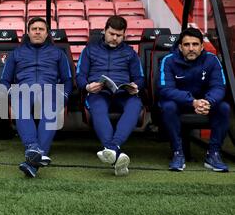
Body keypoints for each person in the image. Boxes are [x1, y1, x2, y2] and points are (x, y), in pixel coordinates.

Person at [0, 17, 73, 178]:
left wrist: (65, 96)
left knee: (50, 109)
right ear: (28, 32)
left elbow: (68, 79)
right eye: (34, 29)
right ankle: (34, 148)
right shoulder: (16, 53)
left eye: (41, 29)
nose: (38, 32)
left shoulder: (58, 53)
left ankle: (32, 161)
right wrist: (11, 93)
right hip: (24, 91)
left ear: (47, 34)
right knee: (21, 106)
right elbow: (4, 80)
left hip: (50, 92)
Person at [76, 15, 145, 176]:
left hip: (124, 93)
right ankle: (117, 154)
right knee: (98, 108)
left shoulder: (130, 53)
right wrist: (87, 86)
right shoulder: (90, 50)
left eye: (119, 35)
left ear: (124, 35)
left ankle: (112, 148)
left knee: (135, 105)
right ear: (104, 31)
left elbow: (140, 78)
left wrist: (136, 86)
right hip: (98, 93)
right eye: (111, 34)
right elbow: (79, 76)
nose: (114, 38)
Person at [158, 27, 230, 172]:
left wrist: (208, 101)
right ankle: (178, 153)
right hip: (180, 103)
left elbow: (219, 87)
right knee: (168, 106)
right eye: (187, 45)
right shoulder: (168, 60)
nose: (191, 48)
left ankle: (213, 154)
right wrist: (192, 101)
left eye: (195, 44)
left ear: (202, 46)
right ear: (180, 47)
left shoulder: (212, 60)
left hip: (205, 103)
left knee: (224, 108)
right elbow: (166, 89)